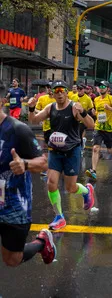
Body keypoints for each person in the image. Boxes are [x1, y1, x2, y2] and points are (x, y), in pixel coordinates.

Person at [0, 80, 56, 267]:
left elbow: (44, 162)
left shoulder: (17, 130)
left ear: (2, 101)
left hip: (14, 206)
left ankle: (41, 242)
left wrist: (24, 163)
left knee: (12, 259)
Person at [27, 80, 95, 230]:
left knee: (71, 188)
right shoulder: (50, 107)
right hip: (55, 151)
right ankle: (59, 217)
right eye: (56, 90)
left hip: (72, 151)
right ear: (52, 93)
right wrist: (31, 108)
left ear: (66, 91)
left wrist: (83, 111)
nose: (59, 93)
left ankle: (86, 191)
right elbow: (34, 120)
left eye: (61, 90)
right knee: (51, 183)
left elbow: (91, 125)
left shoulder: (74, 108)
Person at [85, 80, 112, 180]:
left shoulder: (111, 99)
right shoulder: (96, 99)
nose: (101, 88)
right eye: (100, 87)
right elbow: (99, 113)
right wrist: (94, 113)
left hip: (109, 128)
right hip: (98, 127)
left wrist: (110, 109)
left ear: (107, 89)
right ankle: (93, 171)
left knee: (110, 149)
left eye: (103, 87)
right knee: (95, 148)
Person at [69, 84, 95, 154]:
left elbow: (91, 109)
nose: (79, 91)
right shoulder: (73, 97)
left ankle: (79, 149)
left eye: (81, 89)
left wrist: (86, 113)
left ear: (84, 90)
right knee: (73, 133)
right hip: (74, 119)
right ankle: (75, 145)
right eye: (78, 89)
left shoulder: (88, 98)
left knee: (79, 133)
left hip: (83, 120)